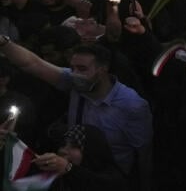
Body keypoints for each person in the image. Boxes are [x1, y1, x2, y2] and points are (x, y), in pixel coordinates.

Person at [0, 38, 152, 187]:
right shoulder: (74, 82)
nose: (75, 74)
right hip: (73, 174)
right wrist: (4, 43)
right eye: (72, 68)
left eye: (82, 69)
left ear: (103, 69)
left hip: (109, 181)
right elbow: (33, 64)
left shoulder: (132, 105)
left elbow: (143, 153)